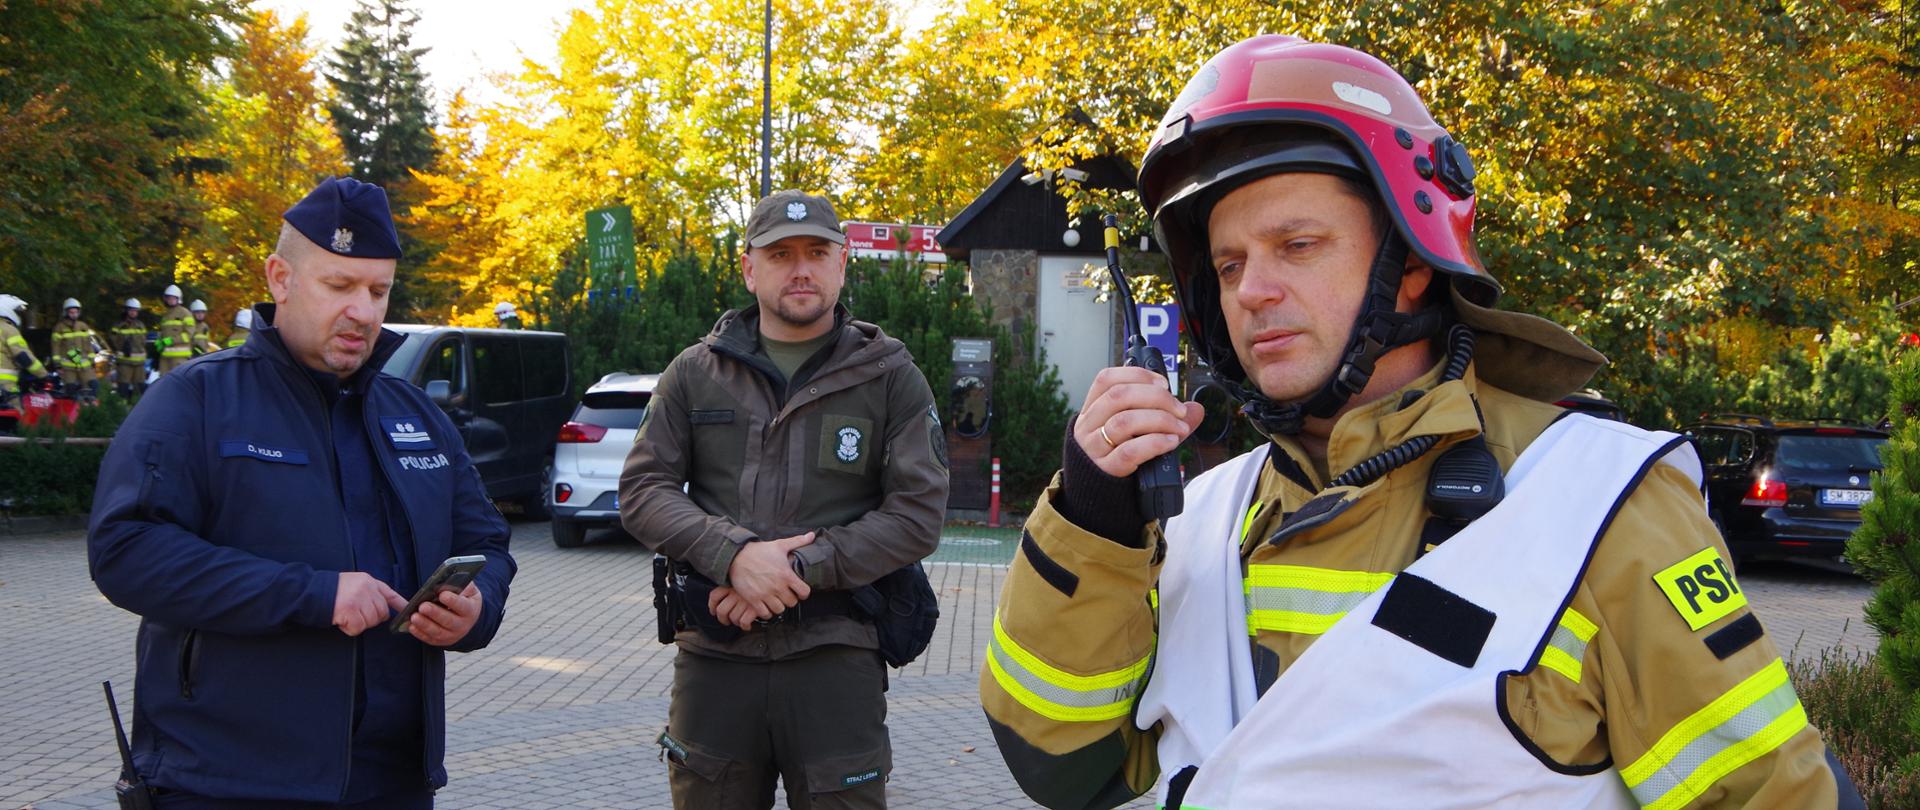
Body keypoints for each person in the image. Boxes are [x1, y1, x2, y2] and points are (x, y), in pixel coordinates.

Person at [980, 36, 1862, 810]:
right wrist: (1091, 521)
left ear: (1408, 263)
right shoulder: (1199, 520)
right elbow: (1065, 769)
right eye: (1228, 262)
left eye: (1298, 246)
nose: (1252, 290)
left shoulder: (1596, 508)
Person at [88, 176, 517, 809]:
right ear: (280, 279)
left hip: (393, 782)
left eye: (378, 291)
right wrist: (314, 595)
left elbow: (485, 541)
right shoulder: (197, 402)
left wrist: (477, 608)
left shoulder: (417, 415)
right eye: (339, 286)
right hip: (228, 783)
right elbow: (127, 552)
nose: (364, 311)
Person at [620, 189, 950, 810]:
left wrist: (794, 571)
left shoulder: (889, 375)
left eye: (817, 252)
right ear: (749, 268)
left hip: (835, 661)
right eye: (780, 255)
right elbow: (643, 490)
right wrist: (736, 557)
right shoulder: (694, 372)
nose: (801, 269)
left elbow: (917, 515)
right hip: (716, 658)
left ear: (842, 263)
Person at [51, 298, 102, 401]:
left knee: (93, 386)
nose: (74, 314)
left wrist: (92, 362)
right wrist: (57, 365)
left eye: (76, 312)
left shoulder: (83, 326)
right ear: (66, 312)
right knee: (71, 391)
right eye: (71, 312)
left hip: (84, 366)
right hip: (68, 367)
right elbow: (55, 347)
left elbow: (88, 345)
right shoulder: (59, 328)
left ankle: (91, 411)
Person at [0, 294, 47, 404]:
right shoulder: (9, 330)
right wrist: (43, 375)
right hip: (5, 384)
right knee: (17, 412)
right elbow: (23, 356)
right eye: (17, 312)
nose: (19, 315)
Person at [110, 299, 149, 398]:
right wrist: (122, 348)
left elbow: (144, 342)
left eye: (135, 311)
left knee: (140, 388)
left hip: (139, 363)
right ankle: (122, 408)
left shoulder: (141, 325)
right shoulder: (118, 325)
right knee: (123, 387)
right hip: (124, 362)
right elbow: (113, 341)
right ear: (126, 310)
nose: (133, 313)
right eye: (131, 310)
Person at [154, 283, 193, 375]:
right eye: (168, 298)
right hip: (165, 357)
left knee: (178, 382)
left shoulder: (185, 313)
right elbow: (163, 333)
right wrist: (159, 341)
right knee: (164, 382)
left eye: (173, 298)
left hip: (180, 357)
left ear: (178, 299)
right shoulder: (166, 315)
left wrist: (171, 340)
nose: (170, 300)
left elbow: (188, 335)